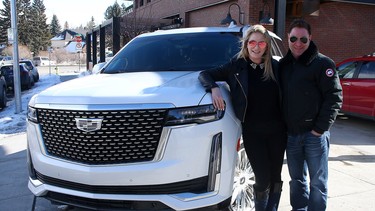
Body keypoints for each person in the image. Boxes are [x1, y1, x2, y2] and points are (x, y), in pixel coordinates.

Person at [199, 24, 287, 211]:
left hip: (278, 132)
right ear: (246, 44)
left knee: (276, 177)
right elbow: (205, 74)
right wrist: (213, 88)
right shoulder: (236, 66)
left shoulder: (277, 67)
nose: (256, 47)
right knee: (262, 178)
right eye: (252, 42)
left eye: (261, 43)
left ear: (267, 45)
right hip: (253, 132)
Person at [278, 19, 343, 211]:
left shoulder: (323, 64)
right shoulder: (283, 65)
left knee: (318, 183)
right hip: (291, 136)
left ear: (310, 39)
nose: (298, 43)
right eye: (294, 38)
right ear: (287, 38)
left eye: (303, 39)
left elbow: (334, 97)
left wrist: (319, 130)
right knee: (297, 180)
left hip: (315, 136)